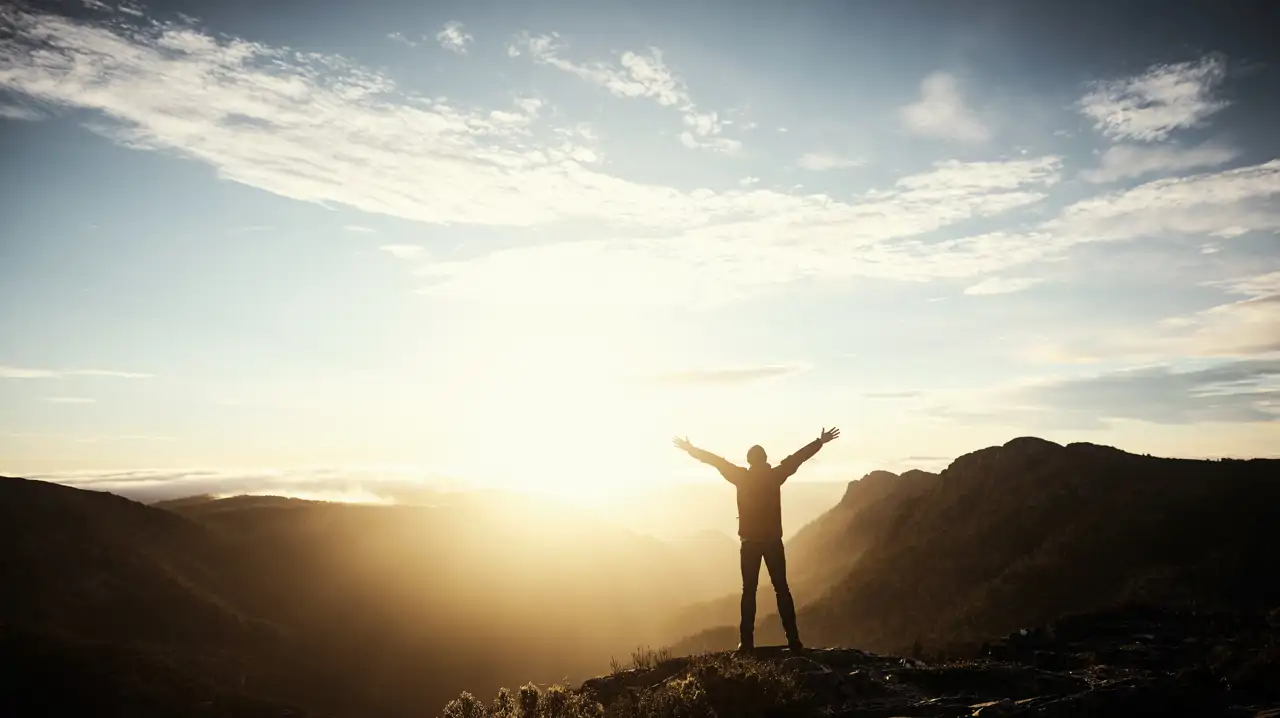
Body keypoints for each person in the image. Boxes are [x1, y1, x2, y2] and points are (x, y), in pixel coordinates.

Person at [672, 427, 840, 653]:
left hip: (749, 543)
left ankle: (747, 643)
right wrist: (820, 441)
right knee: (782, 589)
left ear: (750, 461)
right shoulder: (775, 475)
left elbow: (715, 461)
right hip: (773, 542)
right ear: (765, 460)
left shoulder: (740, 476)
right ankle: (794, 641)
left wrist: (691, 450)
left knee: (748, 591)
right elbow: (798, 458)